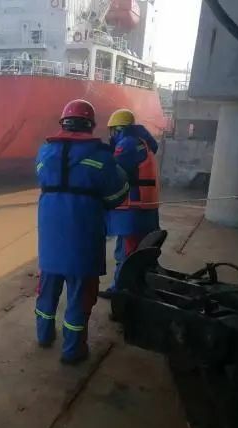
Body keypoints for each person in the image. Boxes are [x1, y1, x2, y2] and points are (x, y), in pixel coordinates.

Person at [35, 100, 130, 364]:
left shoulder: (44, 152)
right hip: (83, 232)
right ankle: (72, 350)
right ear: (90, 126)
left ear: (63, 123)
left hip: (50, 233)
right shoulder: (101, 157)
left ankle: (43, 335)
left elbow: (42, 178)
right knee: (80, 294)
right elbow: (118, 195)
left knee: (47, 288)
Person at [99, 109, 160, 298]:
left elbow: (111, 170)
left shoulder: (127, 144)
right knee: (139, 251)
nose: (111, 135)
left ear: (119, 129)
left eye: (112, 131)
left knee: (127, 254)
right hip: (145, 208)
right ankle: (138, 287)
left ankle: (121, 291)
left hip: (133, 209)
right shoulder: (142, 142)